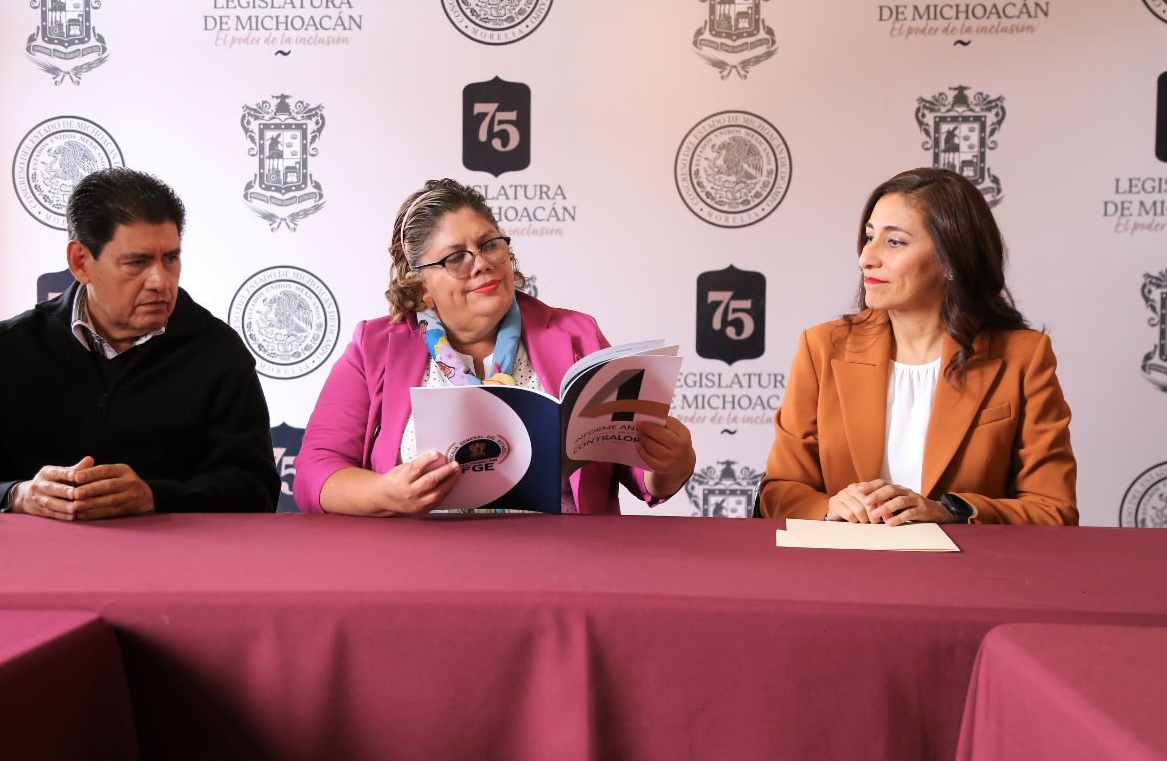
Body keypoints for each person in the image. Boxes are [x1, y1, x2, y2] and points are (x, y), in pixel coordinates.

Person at [294, 178, 696, 515]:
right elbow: (315, 471)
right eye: (456, 257)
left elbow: (637, 471)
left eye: (489, 245)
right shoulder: (373, 348)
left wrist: (669, 464)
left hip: (562, 565)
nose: (482, 263)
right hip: (421, 565)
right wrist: (384, 494)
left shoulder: (577, 334)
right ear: (419, 285)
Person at [0, 168, 279, 518]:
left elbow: (256, 490)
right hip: (30, 553)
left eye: (170, 258)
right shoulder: (5, 349)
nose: (160, 281)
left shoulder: (217, 352)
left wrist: (155, 497)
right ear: (81, 262)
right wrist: (18, 495)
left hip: (167, 554)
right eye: (137, 262)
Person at [760, 167, 1077, 525]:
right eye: (869, 237)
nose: (866, 257)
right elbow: (781, 491)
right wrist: (831, 506)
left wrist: (950, 511)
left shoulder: (1024, 357)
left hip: (968, 561)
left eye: (894, 242)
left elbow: (1054, 510)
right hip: (846, 557)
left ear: (952, 260)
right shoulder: (821, 348)